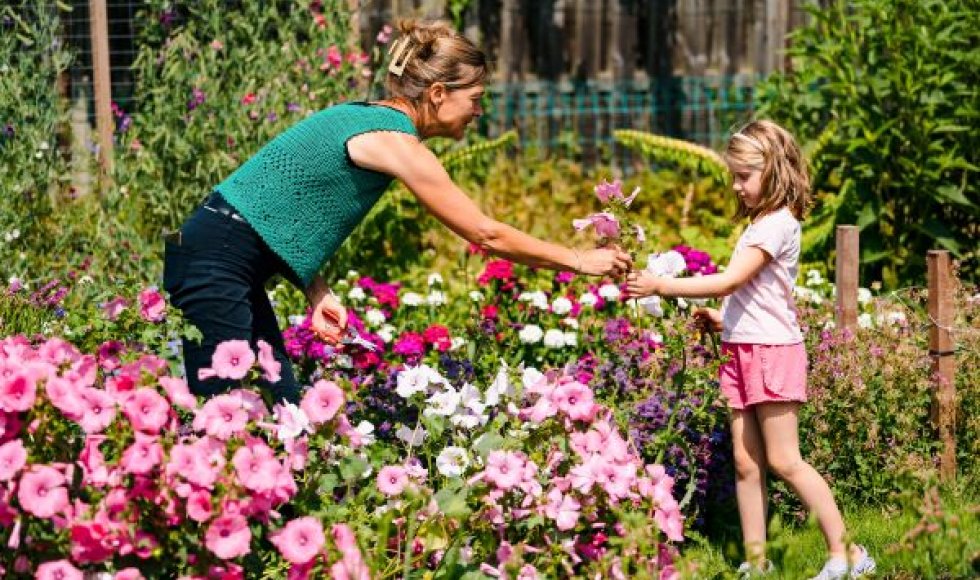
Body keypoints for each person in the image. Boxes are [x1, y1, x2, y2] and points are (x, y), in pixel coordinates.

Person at [162, 19, 632, 404]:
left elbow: (274, 206)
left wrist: (315, 288)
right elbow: (486, 234)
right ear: (438, 95)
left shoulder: (363, 116)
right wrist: (578, 260)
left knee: (279, 411)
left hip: (219, 252)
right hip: (214, 259)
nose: (478, 112)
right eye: (475, 100)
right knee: (230, 419)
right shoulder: (395, 141)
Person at [625, 120, 875, 580]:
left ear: (774, 171)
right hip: (743, 348)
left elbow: (732, 280)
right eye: (734, 176)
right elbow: (756, 296)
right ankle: (757, 561)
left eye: (744, 176)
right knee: (746, 462)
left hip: (773, 353)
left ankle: (849, 553)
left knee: (784, 460)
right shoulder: (761, 223)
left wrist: (661, 285)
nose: (737, 186)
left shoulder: (777, 225)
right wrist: (725, 320)